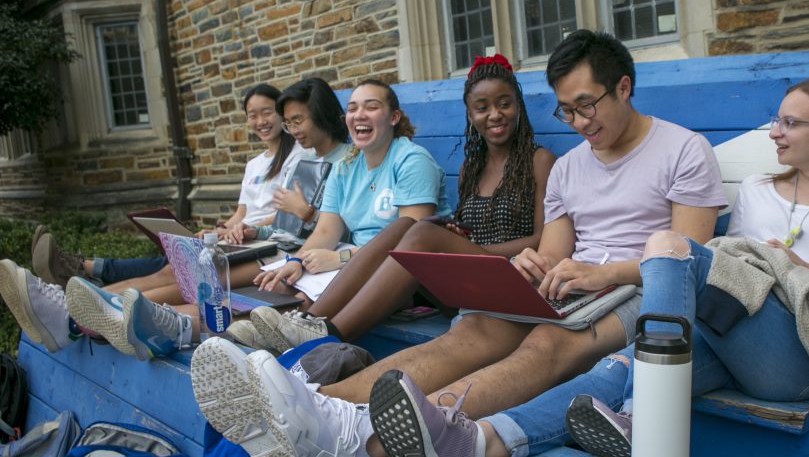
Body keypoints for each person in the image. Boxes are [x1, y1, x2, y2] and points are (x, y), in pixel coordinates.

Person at [190, 30, 727, 457]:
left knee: (546, 343)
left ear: (624, 87)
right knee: (471, 331)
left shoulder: (682, 150)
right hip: (575, 288)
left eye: (587, 105)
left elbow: (685, 259)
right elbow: (556, 251)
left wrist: (599, 272)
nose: (579, 123)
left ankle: (362, 440)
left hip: (642, 292)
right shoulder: (570, 167)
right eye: (566, 111)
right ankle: (321, 408)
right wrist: (535, 266)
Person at [369, 74, 809, 457]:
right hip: (733, 336)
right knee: (619, 369)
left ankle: (637, 415)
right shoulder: (760, 189)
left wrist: (798, 269)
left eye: (790, 122)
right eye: (776, 120)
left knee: (669, 247)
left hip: (802, 351)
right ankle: (475, 446)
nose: (775, 131)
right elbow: (734, 277)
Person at [0, 78, 349, 358]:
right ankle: (75, 307)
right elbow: (284, 223)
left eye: (296, 121)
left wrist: (301, 215)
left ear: (320, 114)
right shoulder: (309, 160)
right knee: (182, 268)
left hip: (294, 255)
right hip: (276, 245)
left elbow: (332, 228)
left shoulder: (341, 161)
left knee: (197, 274)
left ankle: (80, 317)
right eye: (288, 122)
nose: (291, 129)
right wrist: (249, 229)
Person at [242, 55, 556, 353]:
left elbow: (543, 239)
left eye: (504, 104)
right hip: (465, 277)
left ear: (518, 107)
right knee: (407, 227)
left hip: (509, 275)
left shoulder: (539, 161)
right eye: (482, 108)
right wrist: (456, 237)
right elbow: (468, 231)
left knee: (417, 229)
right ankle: (307, 323)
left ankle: (329, 334)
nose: (495, 114)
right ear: (471, 115)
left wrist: (470, 250)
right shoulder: (470, 169)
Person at [29, 83, 303, 289]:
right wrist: (219, 229)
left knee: (171, 267)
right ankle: (82, 275)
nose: (260, 122)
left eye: (267, 113)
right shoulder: (254, 164)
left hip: (259, 241)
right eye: (252, 115)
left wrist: (241, 230)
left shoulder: (297, 156)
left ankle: (82, 278)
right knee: (173, 259)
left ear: (281, 114)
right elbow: (241, 213)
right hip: (236, 239)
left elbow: (286, 215)